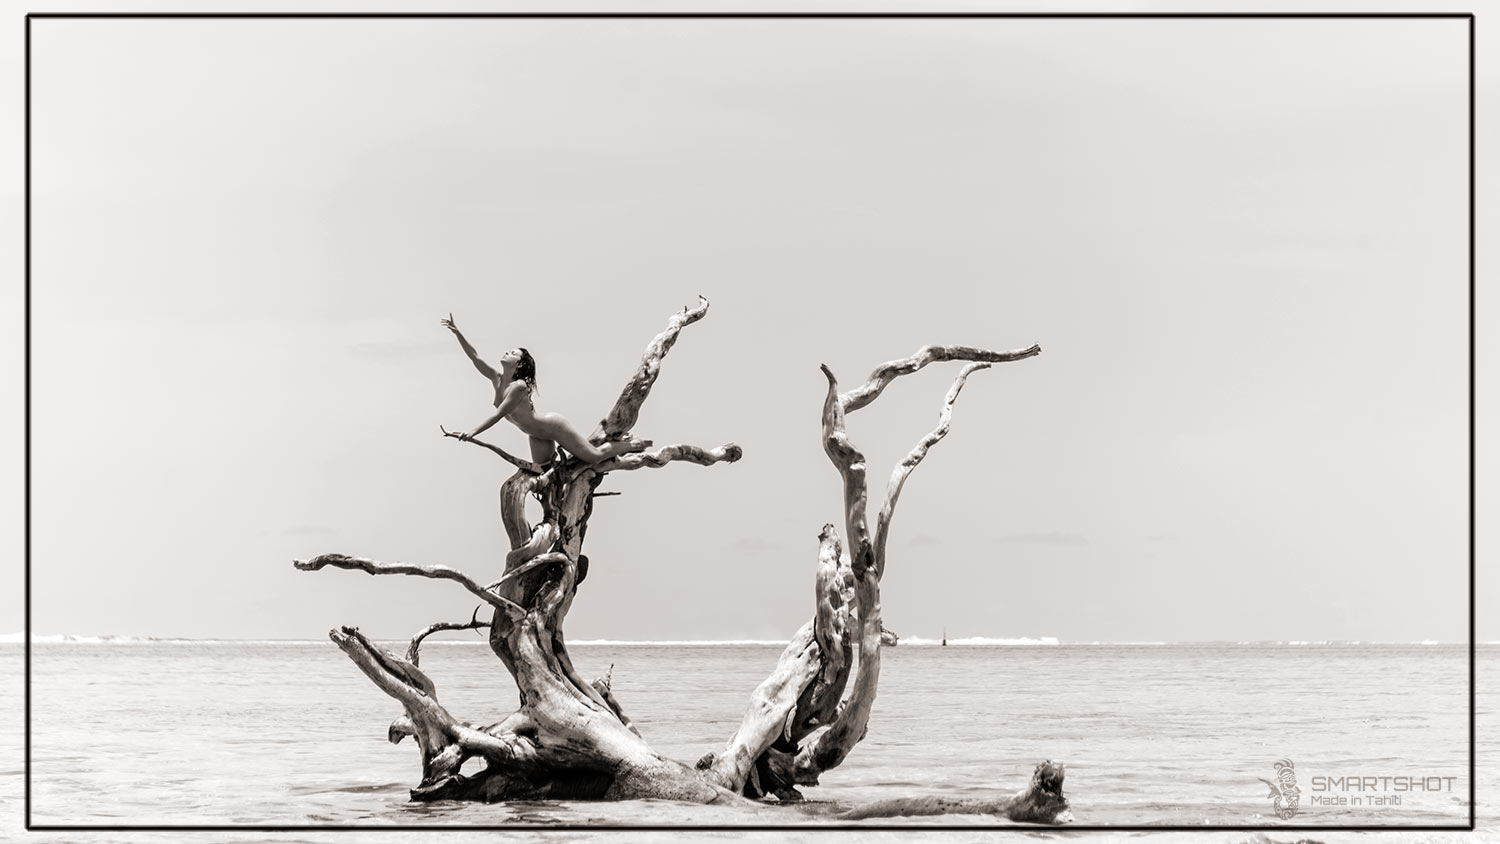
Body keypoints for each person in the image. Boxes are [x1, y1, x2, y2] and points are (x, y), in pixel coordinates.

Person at [441, 314, 650, 466]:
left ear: (520, 364)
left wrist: (473, 432)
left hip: (552, 427)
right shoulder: (496, 378)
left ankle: (628, 445)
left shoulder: (519, 387)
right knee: (548, 473)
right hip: (534, 434)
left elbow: (499, 414)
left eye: (513, 353)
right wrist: (458, 332)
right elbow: (474, 356)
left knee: (594, 457)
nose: (507, 352)